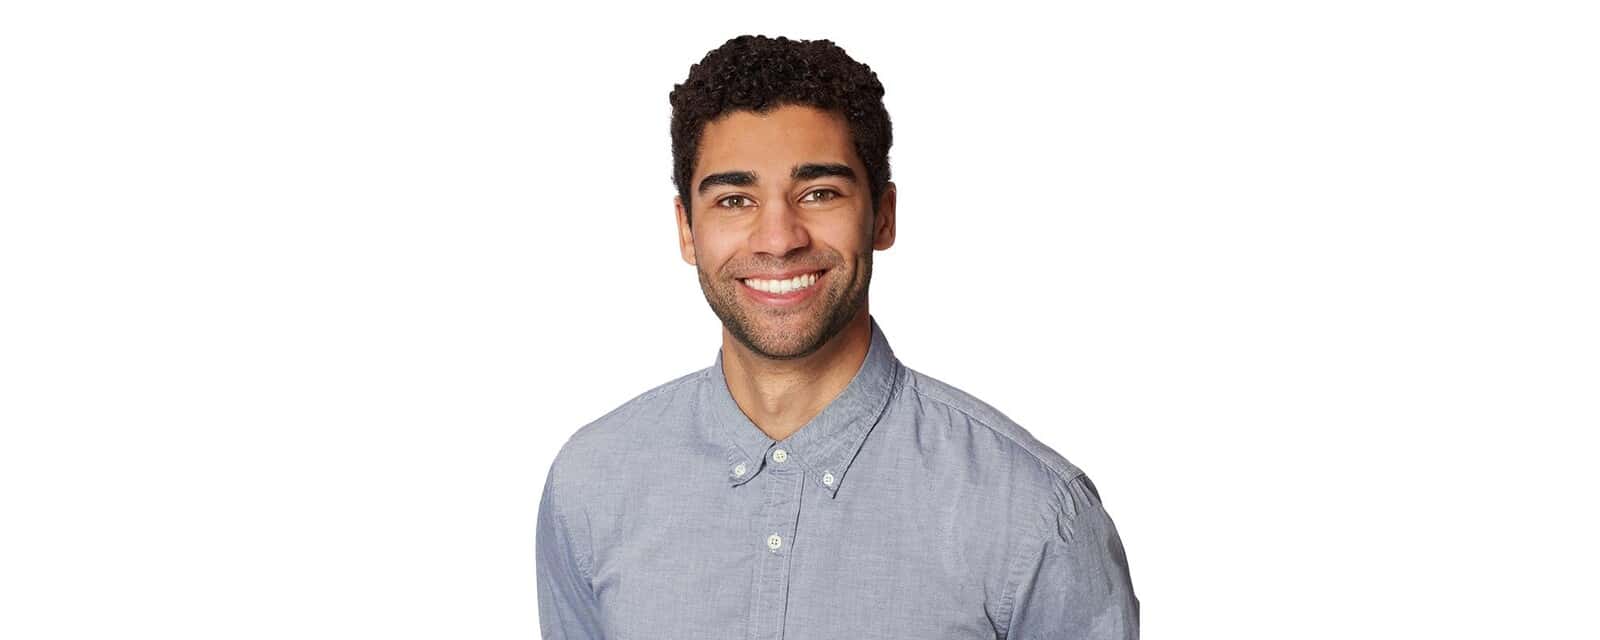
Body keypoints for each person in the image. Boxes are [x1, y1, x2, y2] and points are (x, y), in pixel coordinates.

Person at [536, 34, 1138, 639]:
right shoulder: (591, 485)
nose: (779, 239)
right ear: (687, 230)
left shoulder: (1033, 515)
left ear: (883, 215)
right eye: (735, 199)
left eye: (819, 194)